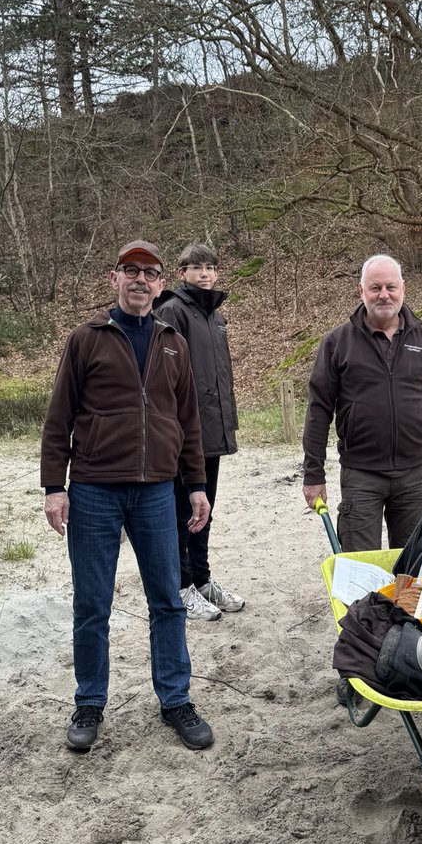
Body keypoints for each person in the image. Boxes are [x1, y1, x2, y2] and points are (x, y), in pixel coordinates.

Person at [41, 238, 215, 752]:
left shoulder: (171, 341)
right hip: (94, 490)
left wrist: (197, 484)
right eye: (130, 270)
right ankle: (89, 704)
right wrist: (55, 487)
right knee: (92, 603)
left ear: (162, 285)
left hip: (159, 492)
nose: (141, 279)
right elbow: (59, 419)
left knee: (167, 600)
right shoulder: (86, 339)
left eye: (151, 273)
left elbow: (188, 421)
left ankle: (176, 701)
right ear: (114, 278)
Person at [301, 253, 422, 553]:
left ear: (403, 289)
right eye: (375, 288)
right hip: (361, 476)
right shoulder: (337, 343)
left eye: (391, 287)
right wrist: (313, 473)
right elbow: (319, 411)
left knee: (412, 567)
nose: (384, 294)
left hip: (414, 475)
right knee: (361, 569)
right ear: (361, 292)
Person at [155, 242, 245, 622]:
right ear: (182, 273)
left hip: (212, 430)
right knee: (181, 511)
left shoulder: (216, 316)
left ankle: (203, 580)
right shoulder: (172, 310)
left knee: (204, 508)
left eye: (210, 267)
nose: (205, 274)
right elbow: (164, 375)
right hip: (183, 433)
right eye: (196, 268)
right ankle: (181, 586)